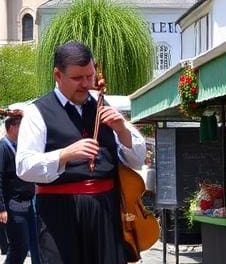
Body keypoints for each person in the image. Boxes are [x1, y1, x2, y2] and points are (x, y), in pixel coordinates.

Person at [16, 41, 146, 264]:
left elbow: (137, 159)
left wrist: (122, 129)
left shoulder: (103, 104)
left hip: (105, 208)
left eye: (90, 76)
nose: (86, 84)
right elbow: (24, 167)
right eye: (78, 78)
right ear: (58, 75)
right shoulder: (37, 111)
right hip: (60, 211)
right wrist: (64, 154)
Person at [0, 114, 40, 264]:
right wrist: (0, 208)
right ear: (13, 127)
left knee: (33, 243)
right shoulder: (0, 148)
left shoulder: (21, 147)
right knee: (19, 247)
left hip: (27, 203)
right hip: (12, 205)